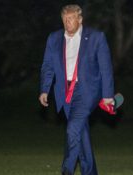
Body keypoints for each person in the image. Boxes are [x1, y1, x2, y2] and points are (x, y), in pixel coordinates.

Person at [39, 4, 115, 175]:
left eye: (71, 18)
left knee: (72, 128)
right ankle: (90, 172)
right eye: (65, 19)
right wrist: (44, 89)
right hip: (64, 91)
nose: (68, 22)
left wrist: (108, 95)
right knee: (80, 133)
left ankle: (67, 170)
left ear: (80, 19)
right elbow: (48, 66)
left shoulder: (96, 37)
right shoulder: (54, 38)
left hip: (86, 90)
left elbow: (106, 68)